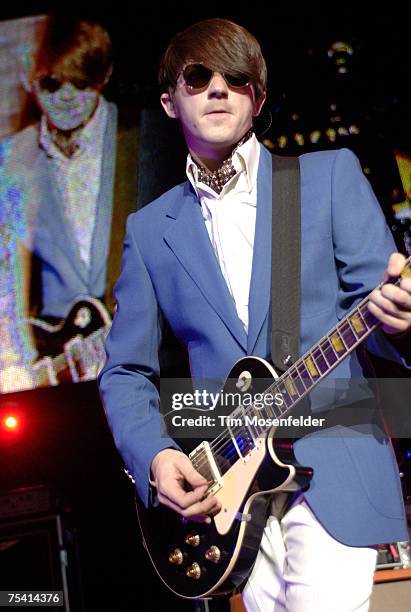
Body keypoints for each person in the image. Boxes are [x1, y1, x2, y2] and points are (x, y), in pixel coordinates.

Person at [98, 19, 411, 611]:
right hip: (230, 494)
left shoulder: (328, 177)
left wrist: (402, 318)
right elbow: (123, 373)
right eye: (198, 76)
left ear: (257, 98)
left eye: (235, 78)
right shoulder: (150, 231)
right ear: (170, 101)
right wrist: (158, 458)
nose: (218, 87)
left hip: (334, 460)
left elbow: (388, 307)